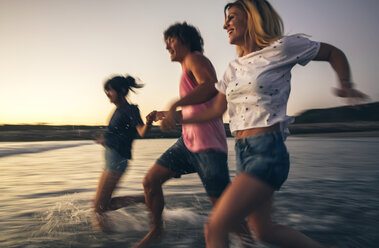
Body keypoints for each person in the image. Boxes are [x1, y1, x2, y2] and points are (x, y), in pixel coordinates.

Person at [162, 0, 368, 247]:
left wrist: (345, 83)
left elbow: (332, 52)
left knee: (215, 226)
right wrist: (177, 118)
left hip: (268, 151)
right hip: (243, 153)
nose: (225, 24)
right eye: (226, 19)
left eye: (232, 17)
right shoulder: (233, 69)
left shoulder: (280, 48)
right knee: (263, 232)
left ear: (253, 18)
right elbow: (217, 109)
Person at [137, 22, 253, 247]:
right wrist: (167, 114)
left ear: (185, 40)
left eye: (171, 40)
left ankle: (249, 243)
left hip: (208, 148)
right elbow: (197, 107)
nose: (167, 47)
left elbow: (210, 86)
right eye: (166, 43)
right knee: (150, 181)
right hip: (187, 144)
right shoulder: (186, 68)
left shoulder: (194, 58)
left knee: (223, 211)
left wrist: (174, 104)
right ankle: (157, 231)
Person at [93, 75, 156, 232]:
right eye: (106, 90)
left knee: (99, 208)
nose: (107, 93)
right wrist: (105, 140)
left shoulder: (131, 109)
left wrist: (148, 123)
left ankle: (108, 240)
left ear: (121, 90)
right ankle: (143, 199)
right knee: (102, 206)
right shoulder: (118, 111)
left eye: (109, 90)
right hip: (110, 161)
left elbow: (141, 132)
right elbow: (118, 134)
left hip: (117, 161)